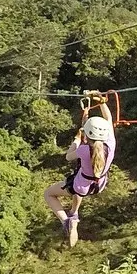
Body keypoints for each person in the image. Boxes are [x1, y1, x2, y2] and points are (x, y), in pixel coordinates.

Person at [42, 98, 116, 247]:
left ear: (87, 135)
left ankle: (67, 221)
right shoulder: (110, 144)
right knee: (79, 183)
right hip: (99, 184)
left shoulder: (83, 149)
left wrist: (76, 140)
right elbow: (108, 119)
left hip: (81, 185)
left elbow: (68, 156)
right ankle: (74, 213)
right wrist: (102, 102)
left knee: (49, 194)